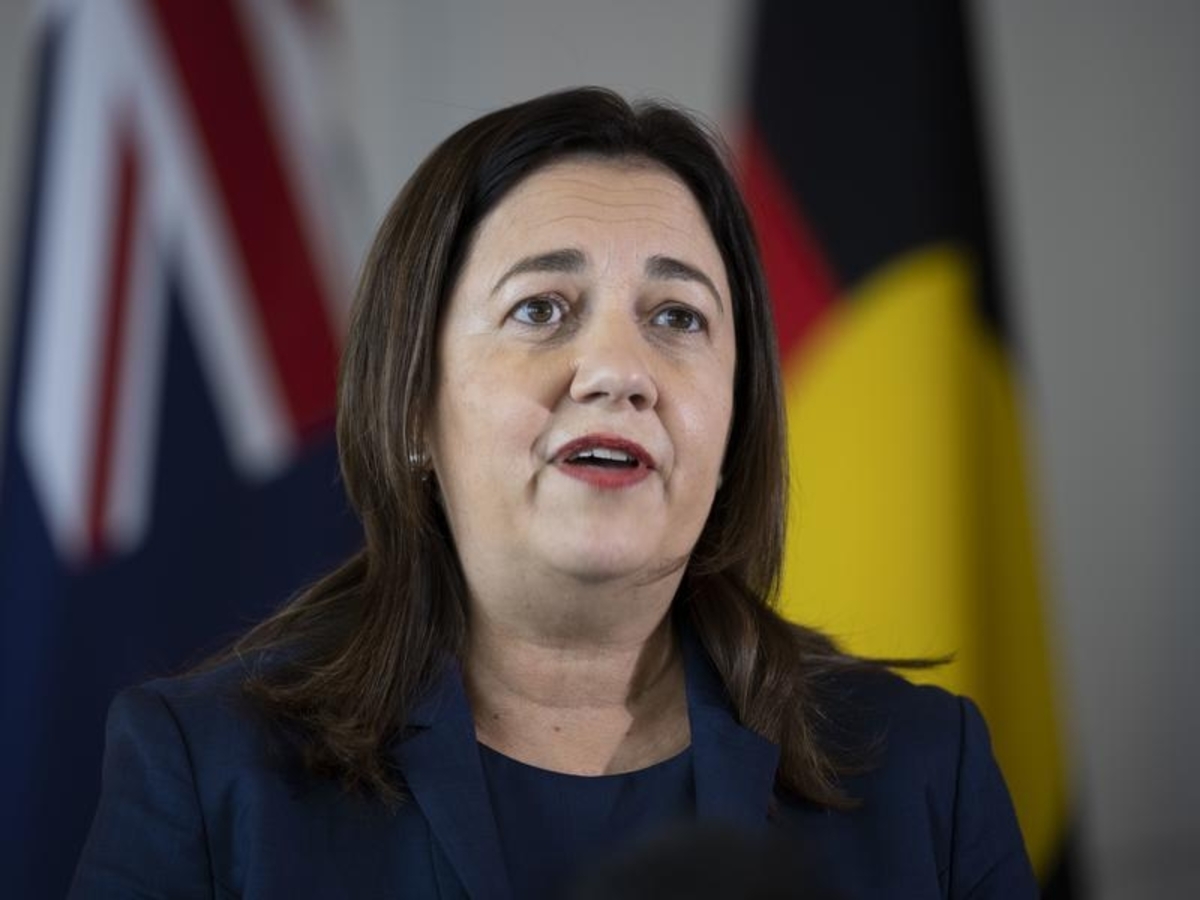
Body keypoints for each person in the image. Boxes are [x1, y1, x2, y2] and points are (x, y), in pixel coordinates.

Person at [70, 87, 1036, 899]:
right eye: (541, 308)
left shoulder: (923, 771)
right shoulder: (207, 771)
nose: (619, 371)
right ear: (411, 405)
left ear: (737, 420)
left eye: (677, 316)